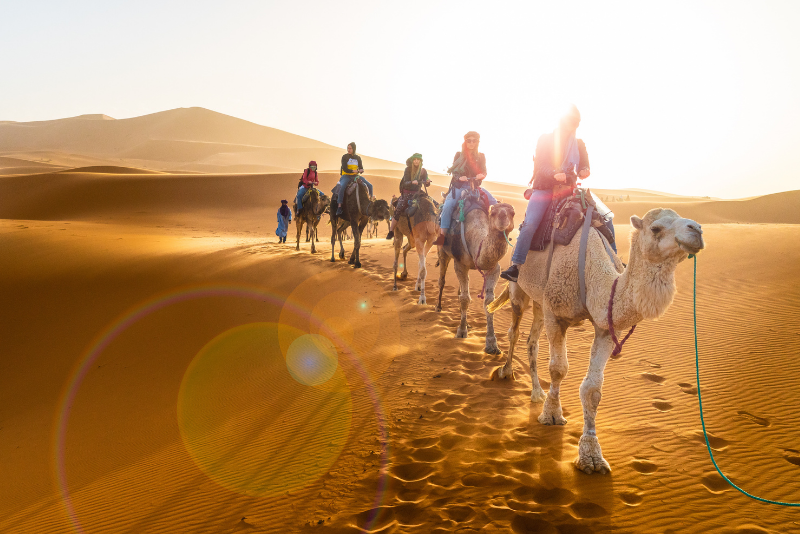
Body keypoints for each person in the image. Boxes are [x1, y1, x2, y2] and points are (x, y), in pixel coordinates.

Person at [500, 105, 591, 282]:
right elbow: (540, 165)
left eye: (576, 122)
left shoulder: (579, 144)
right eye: (570, 121)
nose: (572, 125)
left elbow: (584, 165)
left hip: (569, 190)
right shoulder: (546, 139)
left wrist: (584, 171)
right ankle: (516, 266)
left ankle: (614, 263)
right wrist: (553, 174)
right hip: (544, 188)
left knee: (602, 217)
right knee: (531, 224)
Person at [433, 131, 498, 246]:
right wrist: (459, 177)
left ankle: (498, 233)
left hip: (474, 186)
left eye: (474, 140)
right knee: (448, 206)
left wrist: (482, 175)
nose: (471, 143)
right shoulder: (459, 155)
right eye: (469, 140)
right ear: (465, 142)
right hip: (459, 187)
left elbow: (484, 171)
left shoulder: (481, 156)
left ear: (477, 142)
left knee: (495, 203)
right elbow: (454, 171)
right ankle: (442, 236)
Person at [386, 153, 430, 239]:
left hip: (418, 193)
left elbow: (426, 181)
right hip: (407, 193)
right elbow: (405, 182)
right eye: (415, 159)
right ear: (412, 160)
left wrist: (427, 181)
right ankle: (391, 231)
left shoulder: (423, 171)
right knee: (399, 209)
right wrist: (412, 182)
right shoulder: (408, 169)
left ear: (420, 161)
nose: (416, 161)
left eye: (418, 159)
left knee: (430, 204)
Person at [334, 142, 374, 216]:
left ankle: (370, 203)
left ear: (353, 149)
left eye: (350, 148)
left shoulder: (358, 158)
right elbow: (345, 169)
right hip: (346, 176)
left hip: (355, 176)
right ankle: (339, 207)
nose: (348, 150)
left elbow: (361, 167)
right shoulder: (345, 157)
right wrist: (355, 171)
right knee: (342, 187)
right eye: (348, 148)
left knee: (370, 185)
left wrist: (361, 170)